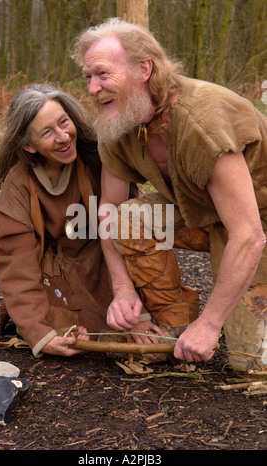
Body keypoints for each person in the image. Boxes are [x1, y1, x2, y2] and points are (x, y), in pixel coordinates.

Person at [72, 18, 267, 372]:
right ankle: (175, 323)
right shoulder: (117, 124)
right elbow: (108, 213)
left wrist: (211, 325)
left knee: (249, 364)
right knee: (127, 219)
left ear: (144, 68)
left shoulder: (201, 122)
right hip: (203, 213)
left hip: (256, 223)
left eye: (102, 74)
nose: (92, 88)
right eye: (87, 77)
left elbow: (249, 234)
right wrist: (122, 289)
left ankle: (204, 329)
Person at [0, 83, 162, 358]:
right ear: (28, 144)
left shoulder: (98, 160)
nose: (63, 137)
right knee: (81, 340)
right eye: (47, 132)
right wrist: (40, 333)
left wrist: (140, 312)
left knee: (152, 342)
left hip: (106, 259)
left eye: (64, 123)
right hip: (53, 276)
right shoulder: (17, 190)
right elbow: (18, 269)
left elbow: (127, 234)